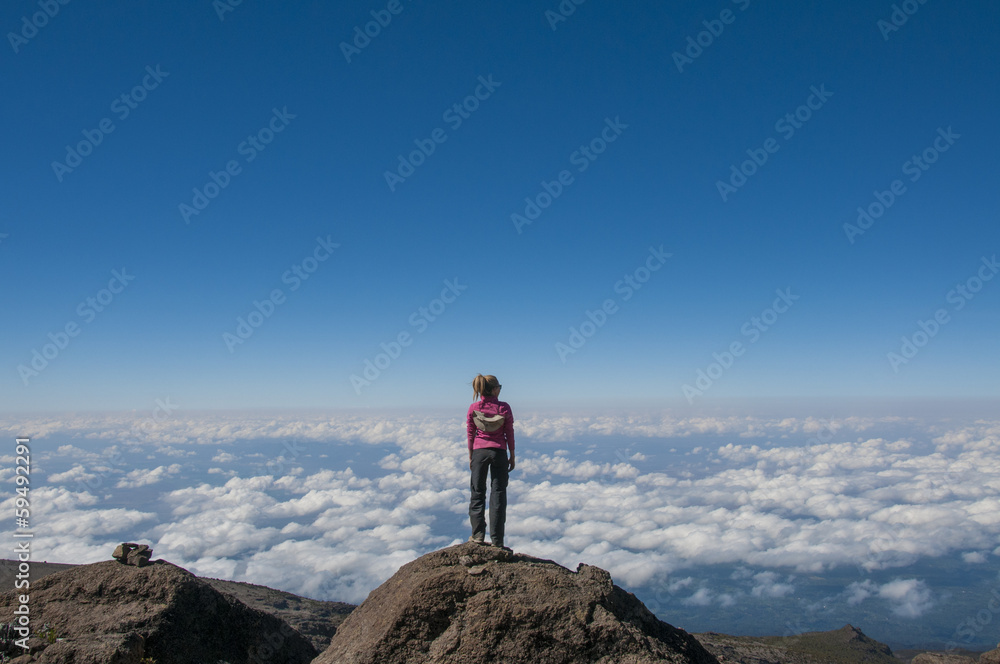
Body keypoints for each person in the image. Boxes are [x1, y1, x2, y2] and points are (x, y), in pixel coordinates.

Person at [466, 373, 515, 549]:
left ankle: (478, 536)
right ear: (494, 389)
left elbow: (471, 433)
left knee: (477, 494)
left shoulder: (474, 408)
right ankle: (497, 541)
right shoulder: (504, 408)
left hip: (479, 452)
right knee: (499, 495)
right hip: (499, 453)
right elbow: (509, 432)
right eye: (499, 387)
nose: (500, 390)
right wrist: (512, 455)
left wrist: (472, 455)